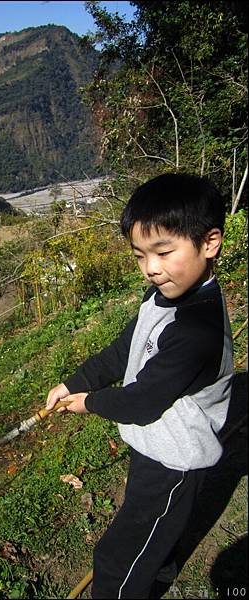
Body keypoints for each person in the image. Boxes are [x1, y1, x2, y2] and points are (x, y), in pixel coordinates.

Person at [45, 173, 234, 599]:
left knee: (119, 556)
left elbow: (143, 403)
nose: (151, 268)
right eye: (140, 255)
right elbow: (122, 350)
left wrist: (88, 402)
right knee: (155, 528)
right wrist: (72, 382)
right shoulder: (164, 297)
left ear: (209, 243)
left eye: (164, 252)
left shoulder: (195, 330)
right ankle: (160, 562)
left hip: (174, 458)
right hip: (157, 445)